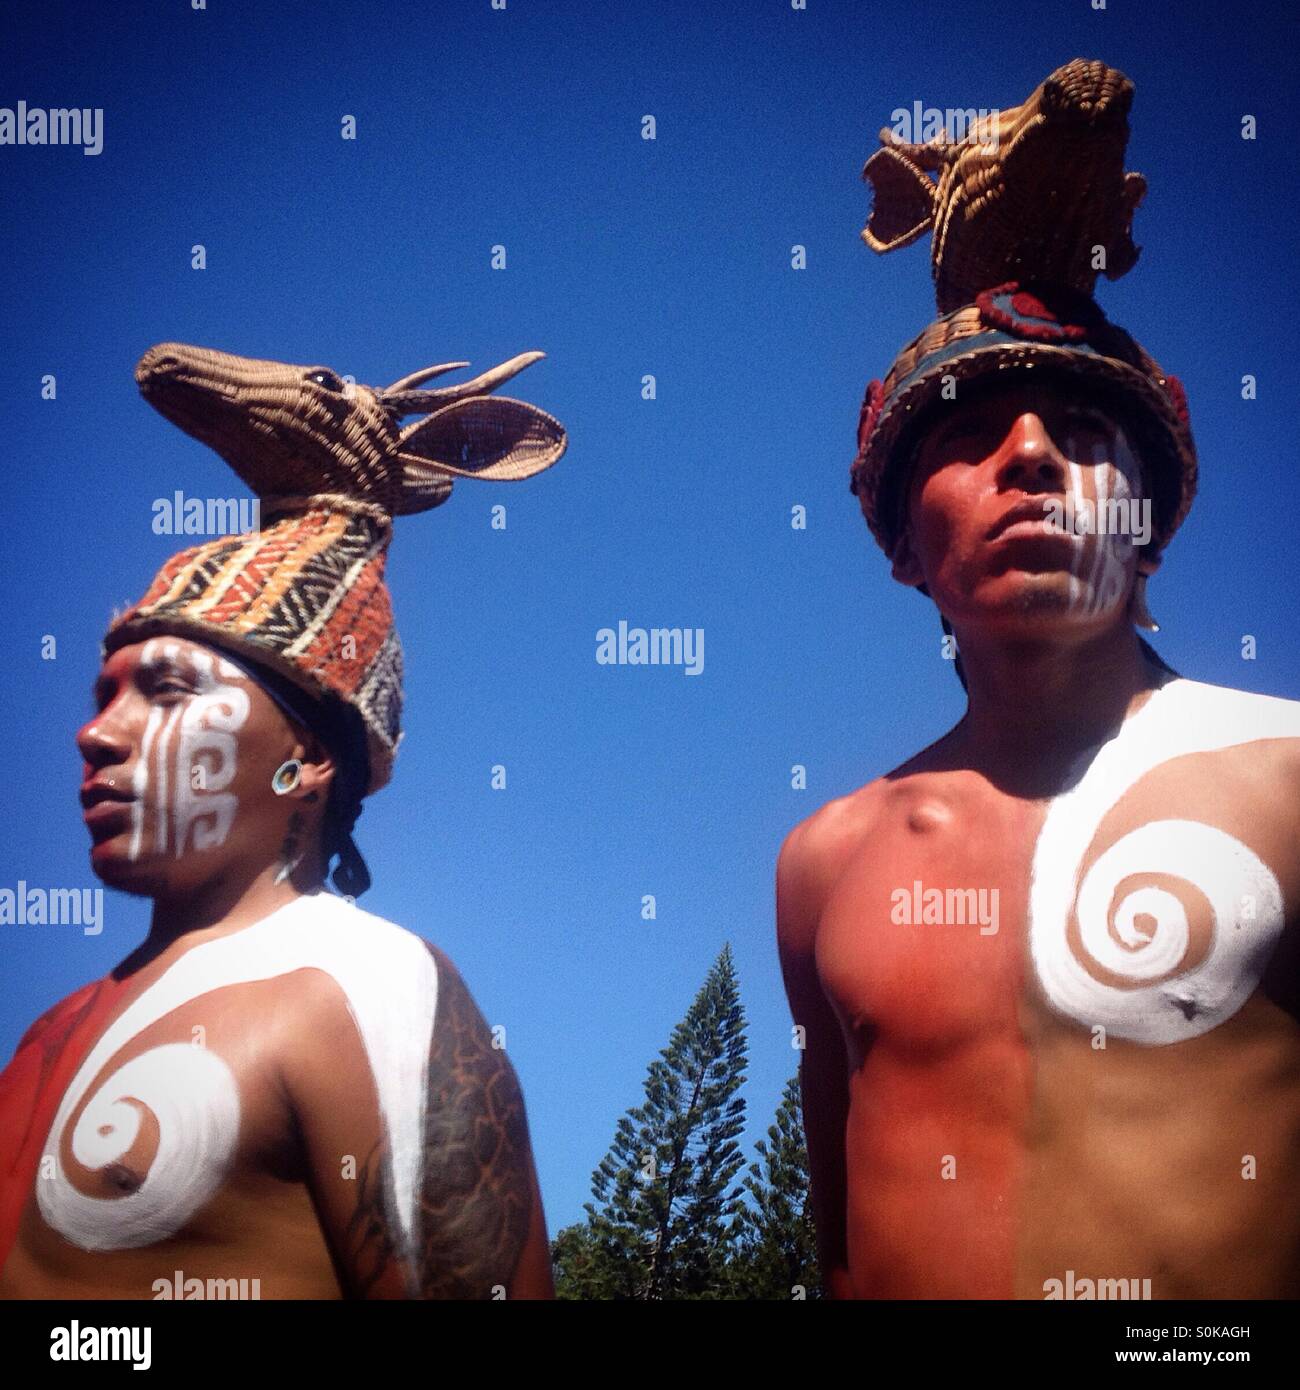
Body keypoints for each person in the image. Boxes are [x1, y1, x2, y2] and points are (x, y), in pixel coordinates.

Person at [778, 65, 1300, 1300]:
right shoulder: (826, 862)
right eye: (966, 434)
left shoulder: (1284, 775)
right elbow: (841, 1248)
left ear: (1150, 525)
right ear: (903, 546)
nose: (1028, 458)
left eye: (1081, 437)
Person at [0, 339, 566, 1299]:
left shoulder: (371, 989)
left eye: (167, 691)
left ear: (309, 758)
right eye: (104, 694)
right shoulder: (43, 1037)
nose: (98, 734)